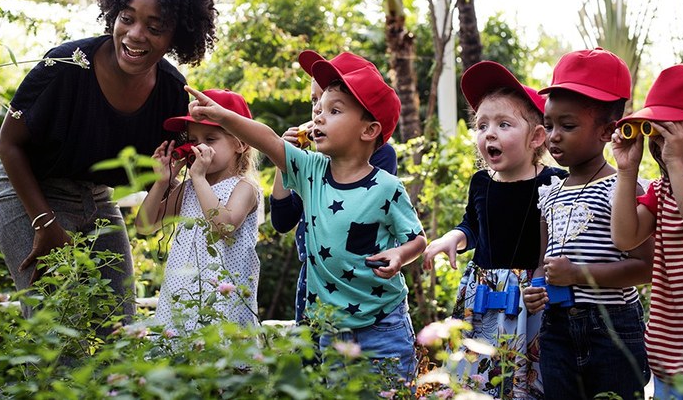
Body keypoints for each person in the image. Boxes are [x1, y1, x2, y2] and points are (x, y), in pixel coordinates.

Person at [0, 0, 218, 325]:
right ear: (113, 14)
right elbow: (8, 145)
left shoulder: (173, 91)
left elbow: (171, 176)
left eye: (154, 27)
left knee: (120, 325)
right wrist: (45, 223)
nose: (135, 34)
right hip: (28, 191)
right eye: (127, 18)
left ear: (176, 37)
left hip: (95, 195)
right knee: (55, 325)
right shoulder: (65, 65)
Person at [185, 51, 427, 386]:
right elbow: (267, 139)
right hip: (328, 327)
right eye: (318, 107)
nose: (318, 117)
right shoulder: (310, 169)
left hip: (383, 325)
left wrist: (400, 255)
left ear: (369, 130)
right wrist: (223, 117)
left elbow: (417, 239)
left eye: (334, 110)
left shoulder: (387, 186)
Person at [421, 61, 562, 399]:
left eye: (503, 124)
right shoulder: (481, 182)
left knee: (527, 377)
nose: (489, 133)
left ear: (537, 137)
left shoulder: (552, 182)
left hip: (531, 296)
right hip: (481, 296)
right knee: (477, 376)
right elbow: (473, 223)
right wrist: (454, 236)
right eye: (482, 125)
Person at [523, 48, 653, 400]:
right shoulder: (550, 191)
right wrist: (537, 287)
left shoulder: (622, 189)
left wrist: (578, 274)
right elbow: (544, 258)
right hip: (557, 329)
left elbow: (644, 268)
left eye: (567, 126)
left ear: (607, 131)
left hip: (611, 328)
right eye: (548, 125)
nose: (553, 136)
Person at [270, 50, 398, 325]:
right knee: (313, 360)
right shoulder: (311, 162)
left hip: (360, 284)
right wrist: (285, 159)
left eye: (332, 107)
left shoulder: (381, 156)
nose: (317, 110)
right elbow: (282, 220)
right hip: (315, 276)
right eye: (315, 101)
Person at [611, 63, 683, 400]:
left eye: (671, 132)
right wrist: (626, 170)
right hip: (667, 362)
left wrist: (677, 162)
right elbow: (625, 237)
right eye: (654, 133)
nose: (660, 144)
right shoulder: (662, 189)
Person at [135, 89, 261, 334]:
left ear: (241, 144)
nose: (198, 147)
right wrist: (161, 182)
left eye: (210, 139)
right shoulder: (189, 187)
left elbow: (223, 227)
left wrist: (199, 178)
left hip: (223, 304)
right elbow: (145, 225)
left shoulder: (245, 187)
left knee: (224, 366)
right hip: (182, 299)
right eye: (193, 140)